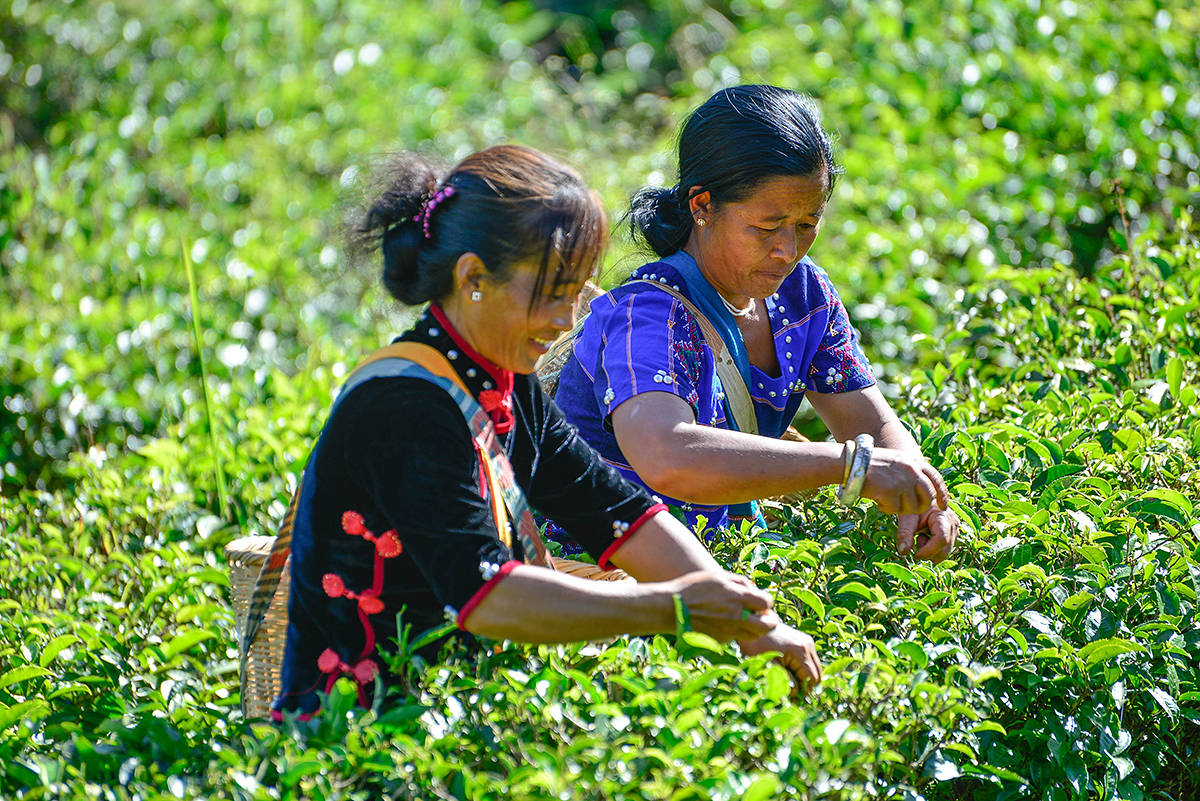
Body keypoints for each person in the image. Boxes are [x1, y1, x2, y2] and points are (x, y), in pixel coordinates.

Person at [273, 144, 821, 718]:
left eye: (576, 292)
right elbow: (488, 594)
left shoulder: (504, 379)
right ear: (473, 278)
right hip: (357, 734)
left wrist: (745, 619)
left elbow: (612, 509)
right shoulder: (403, 406)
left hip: (456, 713)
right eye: (552, 294)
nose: (567, 321)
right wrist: (669, 608)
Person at [553, 86, 960, 561]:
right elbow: (667, 456)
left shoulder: (804, 297)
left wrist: (923, 495)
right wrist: (851, 465)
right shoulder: (648, 316)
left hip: (725, 556)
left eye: (808, 224)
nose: (788, 249)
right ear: (701, 206)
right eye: (767, 227)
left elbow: (870, 421)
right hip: (601, 569)